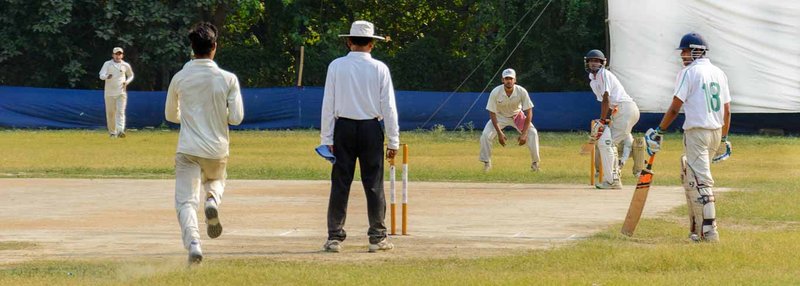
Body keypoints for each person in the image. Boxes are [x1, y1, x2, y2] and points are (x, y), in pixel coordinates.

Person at [165, 22, 244, 264]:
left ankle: (194, 244)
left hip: (188, 148)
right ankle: (212, 200)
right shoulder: (228, 79)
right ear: (214, 47)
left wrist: (189, 117)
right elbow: (236, 118)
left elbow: (170, 115)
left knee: (186, 201)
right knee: (216, 180)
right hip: (216, 149)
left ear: (192, 48)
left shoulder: (180, 77)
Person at [320, 20, 399, 253]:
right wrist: (393, 140)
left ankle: (334, 237)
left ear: (349, 41)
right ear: (372, 44)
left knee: (340, 183)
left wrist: (327, 139)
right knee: (373, 183)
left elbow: (328, 104)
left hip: (343, 128)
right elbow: (389, 107)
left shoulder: (336, 66)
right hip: (370, 129)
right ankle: (377, 237)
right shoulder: (380, 68)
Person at [644, 32, 731, 243]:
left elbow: (675, 107)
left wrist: (659, 131)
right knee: (691, 177)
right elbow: (727, 111)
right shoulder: (719, 72)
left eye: (685, 51)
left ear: (696, 51)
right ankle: (697, 228)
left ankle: (710, 232)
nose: (682, 56)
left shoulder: (688, 72)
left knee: (702, 182)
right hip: (715, 132)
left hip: (697, 133)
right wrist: (724, 138)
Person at [584, 49, 641, 189]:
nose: (594, 63)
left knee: (607, 143)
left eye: (597, 61)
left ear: (602, 63)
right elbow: (608, 103)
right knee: (607, 142)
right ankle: (613, 178)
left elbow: (606, 98)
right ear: (587, 63)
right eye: (591, 61)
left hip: (625, 109)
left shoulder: (603, 74)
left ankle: (612, 181)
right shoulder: (593, 81)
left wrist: (602, 121)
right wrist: (605, 121)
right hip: (622, 111)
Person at [479, 68, 541, 172]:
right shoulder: (495, 92)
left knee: (533, 133)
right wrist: (499, 133)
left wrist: (524, 133)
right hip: (499, 116)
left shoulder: (521, 91)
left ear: (515, 80)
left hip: (517, 116)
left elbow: (529, 112)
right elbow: (492, 112)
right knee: (485, 135)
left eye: (511, 78)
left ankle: (535, 164)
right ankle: (487, 163)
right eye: (506, 78)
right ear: (502, 80)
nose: (509, 81)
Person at [98, 47, 134, 138]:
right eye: (116, 54)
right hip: (109, 93)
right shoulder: (107, 64)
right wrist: (106, 76)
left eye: (119, 54)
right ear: (113, 55)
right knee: (110, 113)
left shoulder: (125, 65)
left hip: (121, 92)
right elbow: (101, 75)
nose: (118, 56)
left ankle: (120, 130)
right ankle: (112, 132)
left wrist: (127, 82)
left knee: (120, 112)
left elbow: (131, 75)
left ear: (122, 55)